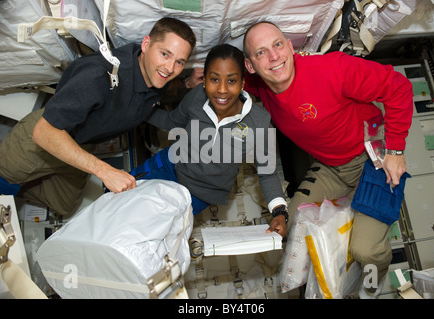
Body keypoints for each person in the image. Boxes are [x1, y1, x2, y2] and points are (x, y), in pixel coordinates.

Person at [241, 21, 413, 298]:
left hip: (373, 160)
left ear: (290, 46)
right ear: (251, 66)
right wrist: (197, 79)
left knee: (365, 251)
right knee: (290, 226)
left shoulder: (333, 69)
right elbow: (225, 79)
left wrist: (395, 151)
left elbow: (399, 87)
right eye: (260, 53)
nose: (273, 57)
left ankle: (366, 292)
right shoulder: (260, 85)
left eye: (277, 45)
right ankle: (328, 286)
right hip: (331, 167)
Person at [0, 17, 196, 216]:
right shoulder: (99, 74)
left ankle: (21, 185)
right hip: (46, 136)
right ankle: (12, 179)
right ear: (146, 44)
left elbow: (158, 94)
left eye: (179, 62)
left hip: (78, 144)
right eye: (164, 54)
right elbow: (43, 131)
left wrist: (187, 83)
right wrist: (104, 170)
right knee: (3, 194)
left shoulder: (157, 76)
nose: (170, 68)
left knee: (64, 206)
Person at [130, 43, 288, 236]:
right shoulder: (197, 96)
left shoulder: (260, 122)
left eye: (231, 81)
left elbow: (267, 174)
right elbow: (172, 122)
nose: (222, 90)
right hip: (166, 166)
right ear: (204, 81)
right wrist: (136, 107)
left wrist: (279, 212)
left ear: (242, 83)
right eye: (214, 79)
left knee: (145, 229)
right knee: (118, 199)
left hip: (197, 195)